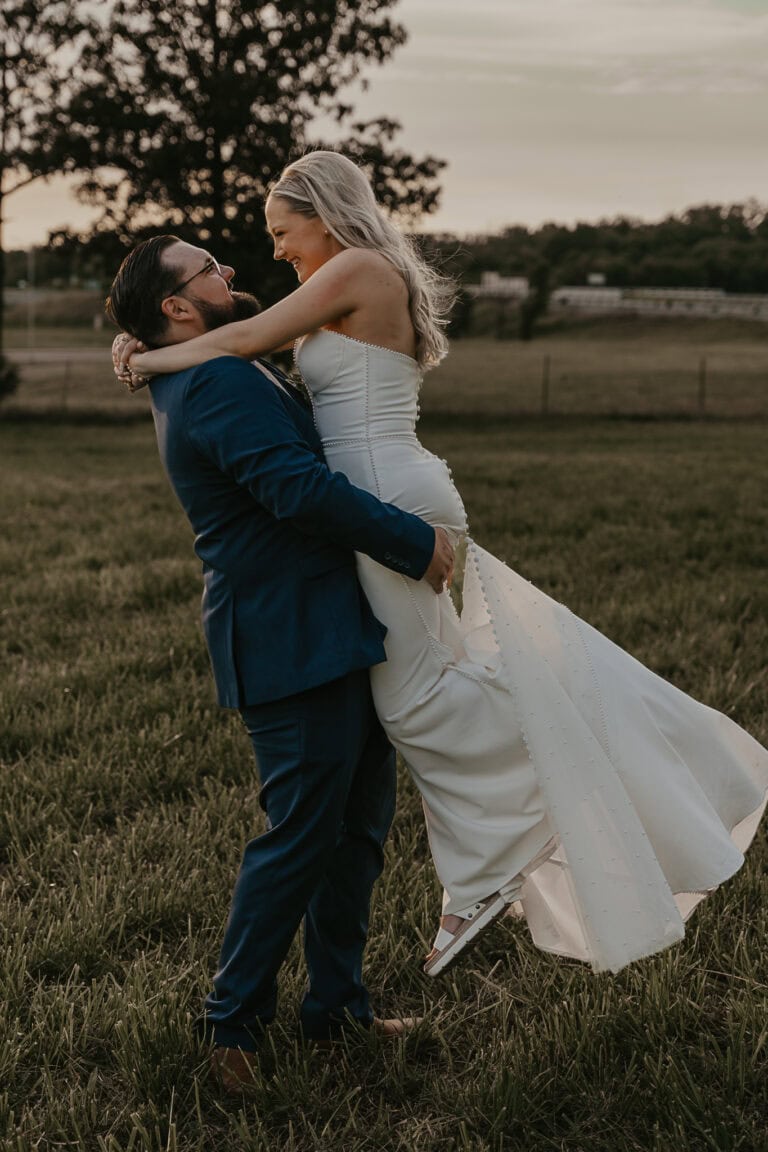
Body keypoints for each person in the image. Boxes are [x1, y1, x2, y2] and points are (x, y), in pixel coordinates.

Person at [115, 151, 768, 981]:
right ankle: (489, 858)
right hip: (383, 491)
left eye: (282, 231)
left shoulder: (356, 266)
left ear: (324, 214)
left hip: (390, 498)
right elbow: (253, 354)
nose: (273, 250)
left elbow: (240, 338)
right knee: (431, 682)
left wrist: (143, 359)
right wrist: (142, 337)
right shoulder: (347, 275)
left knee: (413, 699)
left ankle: (506, 847)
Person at [105, 235, 455, 1093]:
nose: (231, 271)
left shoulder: (217, 359)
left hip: (336, 625)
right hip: (287, 633)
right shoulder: (215, 381)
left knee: (358, 833)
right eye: (211, 270)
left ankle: (336, 1011)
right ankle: (231, 1027)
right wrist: (416, 544)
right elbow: (295, 488)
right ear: (179, 307)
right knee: (299, 838)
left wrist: (137, 349)